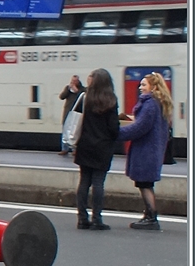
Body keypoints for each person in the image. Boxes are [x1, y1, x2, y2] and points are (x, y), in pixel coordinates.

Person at [117, 73, 173, 231]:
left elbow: (140, 127)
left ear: (153, 87)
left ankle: (151, 217)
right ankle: (148, 214)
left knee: (145, 184)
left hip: (146, 150)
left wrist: (117, 133)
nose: (140, 87)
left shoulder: (150, 105)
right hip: (151, 149)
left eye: (144, 85)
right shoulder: (158, 103)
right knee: (145, 183)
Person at [71, 69, 119, 231]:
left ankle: (82, 219)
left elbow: (77, 119)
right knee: (98, 182)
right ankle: (97, 219)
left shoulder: (86, 98)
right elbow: (113, 128)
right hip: (103, 147)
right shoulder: (111, 100)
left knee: (84, 181)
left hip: (85, 145)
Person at [58, 74, 85, 155]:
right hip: (68, 111)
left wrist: (76, 91)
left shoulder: (82, 89)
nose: (73, 82)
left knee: (76, 132)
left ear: (78, 81)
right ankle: (64, 148)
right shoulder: (68, 88)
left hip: (76, 112)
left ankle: (75, 149)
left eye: (75, 81)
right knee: (65, 129)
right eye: (72, 81)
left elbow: (83, 97)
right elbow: (61, 97)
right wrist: (68, 90)